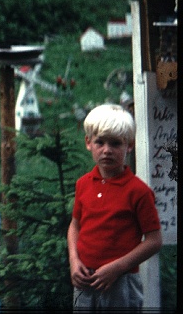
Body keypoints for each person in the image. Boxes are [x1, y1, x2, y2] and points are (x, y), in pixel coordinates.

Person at [67, 103, 161, 311]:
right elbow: (75, 225)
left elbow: (154, 241)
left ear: (129, 145)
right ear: (88, 143)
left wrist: (118, 267)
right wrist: (74, 261)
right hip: (85, 279)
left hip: (121, 281)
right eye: (100, 142)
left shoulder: (138, 191)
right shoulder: (83, 183)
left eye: (115, 143)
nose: (107, 150)